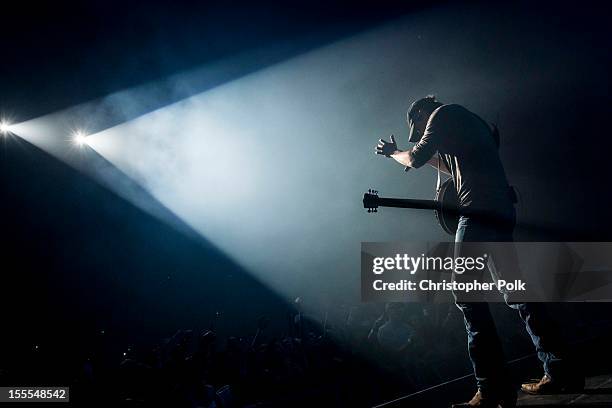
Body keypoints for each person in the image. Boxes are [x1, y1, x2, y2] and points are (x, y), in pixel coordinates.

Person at [375, 96, 583, 407]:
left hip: (478, 213)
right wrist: (419, 156)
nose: (420, 134)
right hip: (498, 210)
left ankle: (492, 388)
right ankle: (560, 369)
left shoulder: (443, 114)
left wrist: (394, 153)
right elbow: (448, 165)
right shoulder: (468, 120)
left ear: (420, 113)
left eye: (418, 129)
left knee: (466, 296)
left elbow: (416, 157)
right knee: (518, 294)